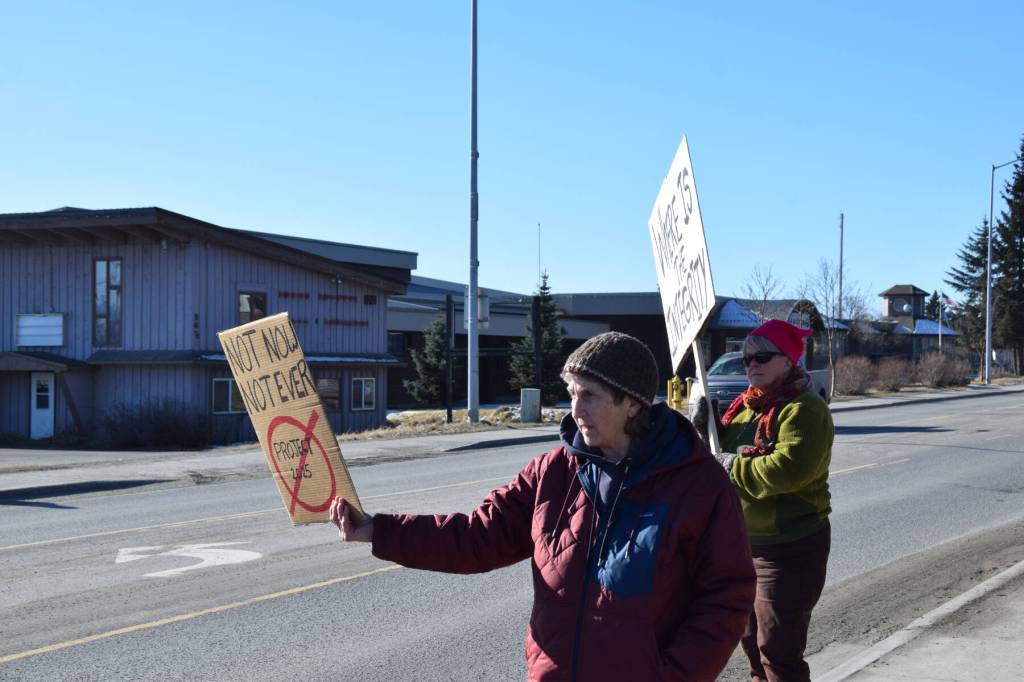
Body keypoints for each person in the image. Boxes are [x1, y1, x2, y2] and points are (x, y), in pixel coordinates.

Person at [330, 331, 755, 681]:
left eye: (590, 395)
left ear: (632, 403)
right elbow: (476, 537)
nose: (575, 409)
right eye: (571, 393)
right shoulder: (551, 474)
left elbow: (726, 597)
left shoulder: (697, 483)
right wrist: (377, 530)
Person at [694, 319, 833, 682]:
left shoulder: (803, 409)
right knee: (751, 646)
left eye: (762, 357)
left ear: (788, 359)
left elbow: (787, 471)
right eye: (746, 359)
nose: (751, 365)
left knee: (778, 652)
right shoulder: (743, 406)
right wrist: (702, 431)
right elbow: (708, 463)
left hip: (788, 550)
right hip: (738, 547)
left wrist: (730, 464)